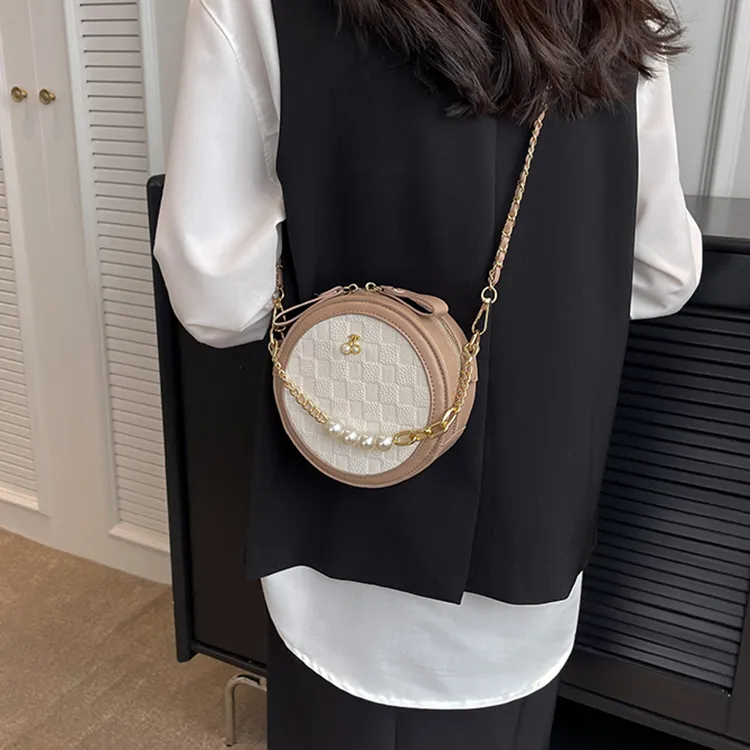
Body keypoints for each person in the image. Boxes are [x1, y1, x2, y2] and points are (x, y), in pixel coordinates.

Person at [155, 1, 703, 748]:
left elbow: (214, 296)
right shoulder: (621, 8)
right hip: (533, 527)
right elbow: (663, 271)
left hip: (346, 526)